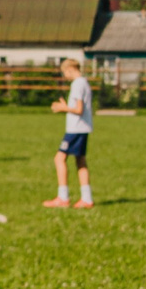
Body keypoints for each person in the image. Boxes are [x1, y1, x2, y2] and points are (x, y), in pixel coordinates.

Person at [43, 55, 96, 209]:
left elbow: (79, 109)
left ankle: (63, 197)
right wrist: (66, 106)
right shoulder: (84, 82)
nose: (65, 76)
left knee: (59, 159)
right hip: (82, 128)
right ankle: (86, 198)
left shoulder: (77, 84)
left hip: (76, 129)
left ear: (70, 69)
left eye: (64, 72)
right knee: (80, 161)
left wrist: (63, 108)